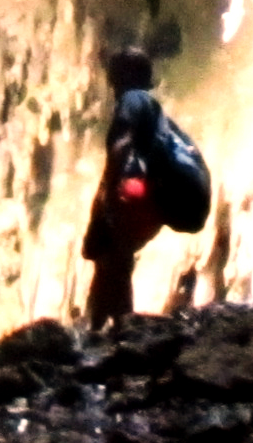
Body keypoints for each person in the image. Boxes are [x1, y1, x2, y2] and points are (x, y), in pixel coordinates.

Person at [81, 49, 212, 326]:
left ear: (128, 75)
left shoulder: (133, 98)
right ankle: (106, 328)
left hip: (151, 193)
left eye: (114, 72)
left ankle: (110, 330)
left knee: (111, 255)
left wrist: (106, 199)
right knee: (115, 257)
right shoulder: (160, 117)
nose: (110, 79)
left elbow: (122, 144)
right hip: (168, 201)